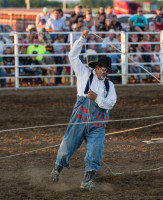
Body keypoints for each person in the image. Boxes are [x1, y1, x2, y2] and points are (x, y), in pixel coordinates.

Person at [50, 30, 117, 190]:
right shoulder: (83, 72)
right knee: (67, 145)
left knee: (96, 150)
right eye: (104, 69)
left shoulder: (110, 85)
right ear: (97, 68)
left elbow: (110, 103)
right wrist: (82, 39)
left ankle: (86, 181)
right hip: (80, 117)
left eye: (107, 70)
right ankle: (57, 169)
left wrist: (96, 99)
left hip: (98, 123)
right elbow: (72, 56)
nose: (106, 72)